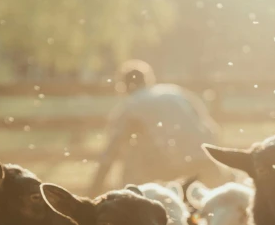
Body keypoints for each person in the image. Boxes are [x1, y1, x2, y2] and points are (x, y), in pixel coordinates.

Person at [88, 60, 224, 196]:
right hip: (206, 157)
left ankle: (132, 198)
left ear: (123, 86)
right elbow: (207, 124)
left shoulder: (131, 106)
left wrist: (94, 189)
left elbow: (111, 151)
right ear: (148, 80)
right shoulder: (175, 92)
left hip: (174, 166)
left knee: (132, 161)